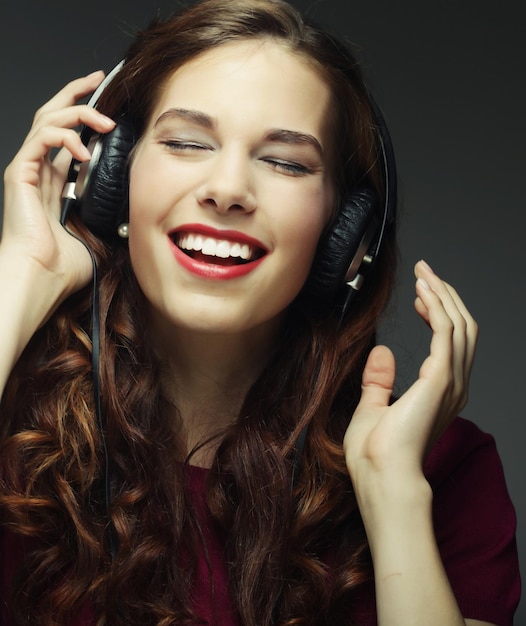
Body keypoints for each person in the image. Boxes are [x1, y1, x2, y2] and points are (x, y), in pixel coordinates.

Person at [0, 0, 520, 624]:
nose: (227, 190)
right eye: (188, 142)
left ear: (347, 235)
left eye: (284, 161)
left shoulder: (439, 466)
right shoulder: (13, 416)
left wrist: (392, 494)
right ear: (110, 179)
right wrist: (20, 274)